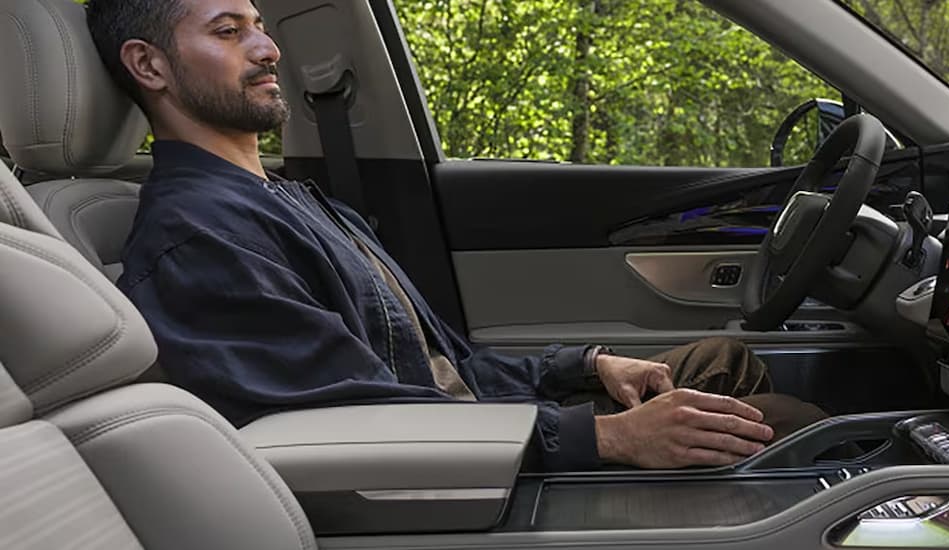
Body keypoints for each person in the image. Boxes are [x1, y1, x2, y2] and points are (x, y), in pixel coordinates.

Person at [88, 0, 828, 472]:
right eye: (227, 30)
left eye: (257, 24)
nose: (268, 46)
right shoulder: (200, 237)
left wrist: (590, 364)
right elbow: (349, 427)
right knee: (809, 441)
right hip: (458, 479)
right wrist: (609, 440)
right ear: (149, 64)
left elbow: (447, 368)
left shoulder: (283, 198)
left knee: (719, 362)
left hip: (471, 432)